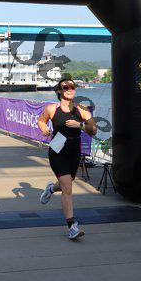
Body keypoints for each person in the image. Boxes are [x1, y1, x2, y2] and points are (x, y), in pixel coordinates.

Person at [37, 78, 97, 240]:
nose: (70, 89)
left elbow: (94, 130)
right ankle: (72, 226)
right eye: (66, 87)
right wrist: (44, 129)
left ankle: (51, 189)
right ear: (59, 90)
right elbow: (41, 121)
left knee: (67, 182)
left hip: (74, 150)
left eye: (73, 86)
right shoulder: (51, 108)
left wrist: (80, 125)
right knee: (68, 188)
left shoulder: (82, 110)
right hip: (57, 149)